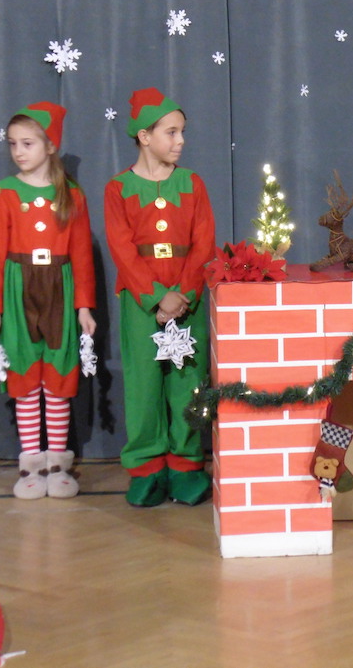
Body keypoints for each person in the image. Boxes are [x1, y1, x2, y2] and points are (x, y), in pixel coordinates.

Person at [104, 88, 215, 507]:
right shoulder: (119, 188)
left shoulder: (192, 183)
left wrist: (183, 293)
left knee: (187, 382)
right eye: (171, 132)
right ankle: (147, 467)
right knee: (144, 385)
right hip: (141, 304)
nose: (180, 140)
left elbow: (203, 243)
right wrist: (156, 297)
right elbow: (122, 248)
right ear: (145, 136)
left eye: (182, 131)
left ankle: (186, 465)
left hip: (188, 301)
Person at [0, 102, 97, 500]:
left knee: (58, 377)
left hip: (59, 287)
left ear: (50, 145)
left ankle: (57, 465)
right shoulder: (5, 192)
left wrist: (84, 306)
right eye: (13, 143)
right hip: (18, 288)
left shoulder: (72, 194)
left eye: (27, 143)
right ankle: (31, 464)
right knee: (26, 375)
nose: (18, 151)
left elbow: (81, 255)